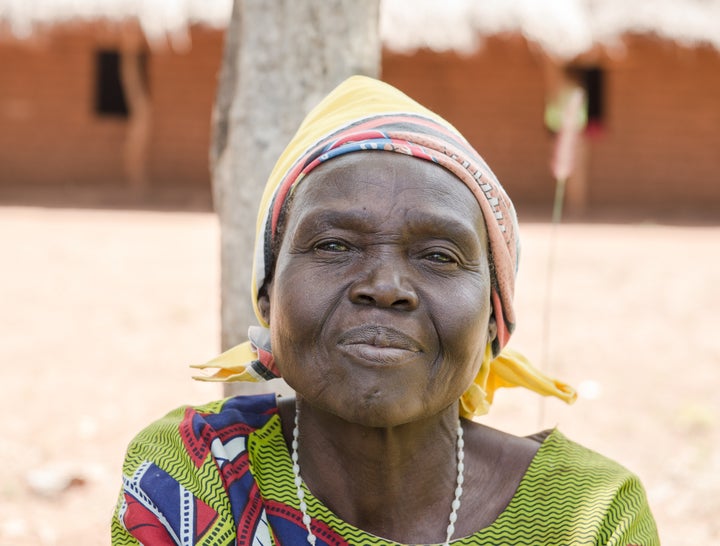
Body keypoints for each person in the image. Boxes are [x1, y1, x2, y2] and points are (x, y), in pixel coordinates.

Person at [112, 76, 659, 545]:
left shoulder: (587, 518)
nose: (386, 286)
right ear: (267, 294)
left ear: (495, 319)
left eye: (439, 256)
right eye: (333, 245)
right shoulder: (194, 473)